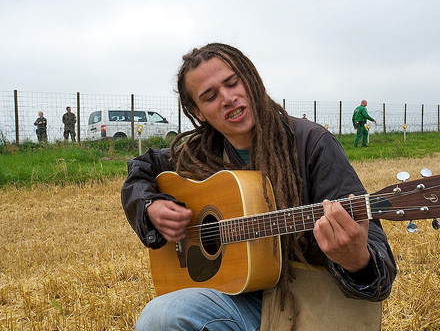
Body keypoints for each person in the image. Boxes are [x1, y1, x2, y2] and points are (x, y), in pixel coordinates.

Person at [121, 43, 396, 331]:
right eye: (210, 96)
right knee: (162, 316)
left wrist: (358, 261)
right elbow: (141, 170)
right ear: (198, 112)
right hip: (236, 299)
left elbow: (377, 264)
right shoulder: (199, 153)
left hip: (305, 305)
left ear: (251, 79)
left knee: (162, 316)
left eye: (232, 82)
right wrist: (149, 206)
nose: (228, 98)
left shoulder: (312, 143)